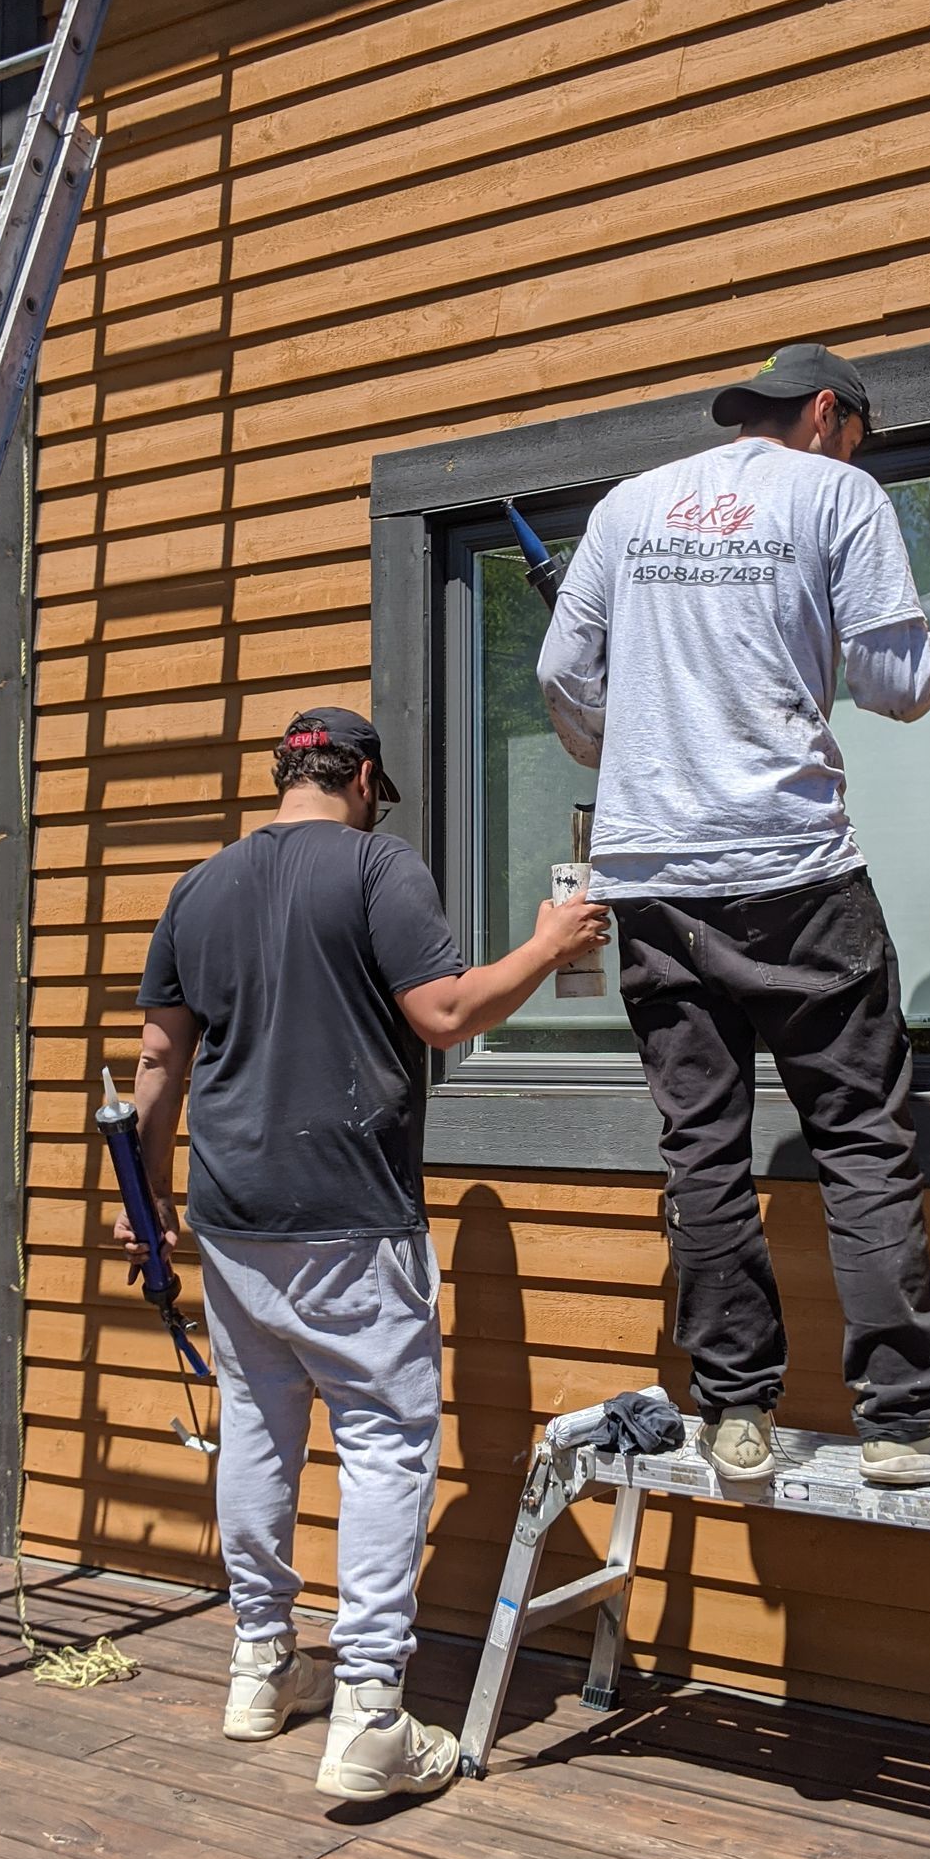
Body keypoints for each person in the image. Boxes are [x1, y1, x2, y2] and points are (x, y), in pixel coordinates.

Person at [537, 345, 930, 1491]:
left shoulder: (627, 507)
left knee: (702, 1146)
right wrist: (925, 650)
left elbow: (565, 674)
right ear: (826, 413)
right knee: (860, 1135)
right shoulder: (836, 493)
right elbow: (899, 682)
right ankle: (909, 1420)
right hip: (793, 872)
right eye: (859, 431)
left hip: (655, 878)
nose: (860, 451)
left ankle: (736, 1412)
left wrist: (641, 751)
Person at [121, 706, 610, 1800]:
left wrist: (150, 1199)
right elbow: (440, 1013)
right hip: (349, 1208)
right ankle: (373, 1713)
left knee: (258, 1427)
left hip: (234, 1213)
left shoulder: (201, 888)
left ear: (284, 777)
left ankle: (260, 1665)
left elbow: (159, 1055)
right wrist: (549, 946)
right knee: (388, 1445)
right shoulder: (379, 867)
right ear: (362, 782)